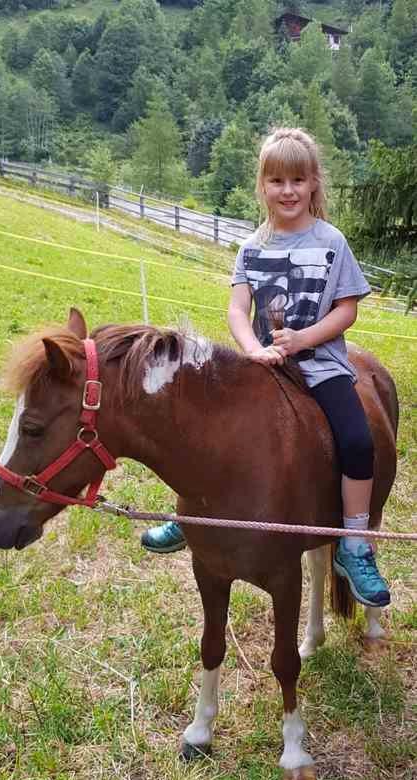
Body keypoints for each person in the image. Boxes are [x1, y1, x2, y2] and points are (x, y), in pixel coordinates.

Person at [141, 127, 390, 608]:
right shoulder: (252, 246)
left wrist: (303, 338)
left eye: (298, 179)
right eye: (277, 180)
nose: (288, 190)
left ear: (315, 183)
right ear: (263, 185)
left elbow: (346, 310)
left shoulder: (332, 241)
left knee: (358, 442)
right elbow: (237, 309)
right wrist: (252, 348)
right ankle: (192, 518)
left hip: (321, 366)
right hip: (264, 367)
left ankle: (354, 543)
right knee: (208, 431)